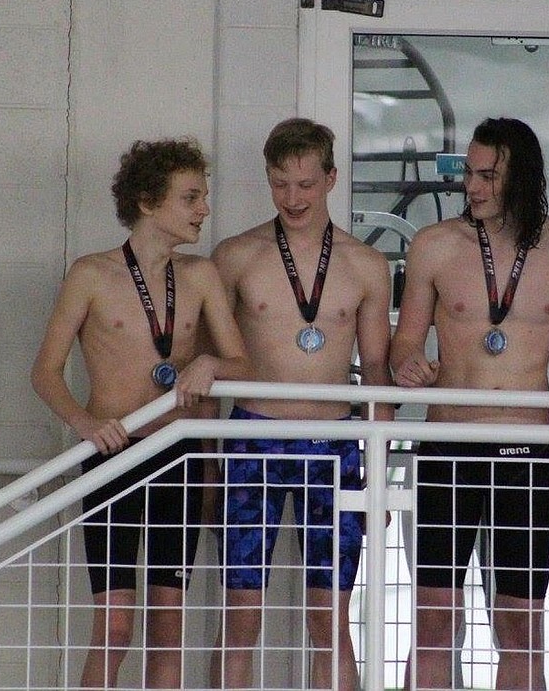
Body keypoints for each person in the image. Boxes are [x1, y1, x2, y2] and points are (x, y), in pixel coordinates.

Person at [390, 117, 549, 691]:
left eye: (488, 175)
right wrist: (408, 362)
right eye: (470, 173)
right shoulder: (435, 245)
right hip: (448, 448)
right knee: (434, 620)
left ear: (523, 177)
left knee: (521, 626)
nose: (473, 187)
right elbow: (405, 343)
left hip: (525, 451)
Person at [31, 137, 251, 689]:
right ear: (149, 203)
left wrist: (209, 363)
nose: (205, 209)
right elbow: (45, 372)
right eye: (192, 197)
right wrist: (82, 423)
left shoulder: (200, 276)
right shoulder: (92, 274)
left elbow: (243, 365)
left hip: (177, 458)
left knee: (169, 628)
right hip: (113, 457)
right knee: (116, 625)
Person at [209, 117, 394, 691]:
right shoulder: (236, 255)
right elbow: (205, 359)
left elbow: (379, 376)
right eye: (279, 184)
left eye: (306, 185)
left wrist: (380, 475)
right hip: (251, 437)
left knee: (331, 620)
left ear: (331, 178)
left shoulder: (366, 264)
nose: (293, 199)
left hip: (334, 445)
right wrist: (210, 458)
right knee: (240, 619)